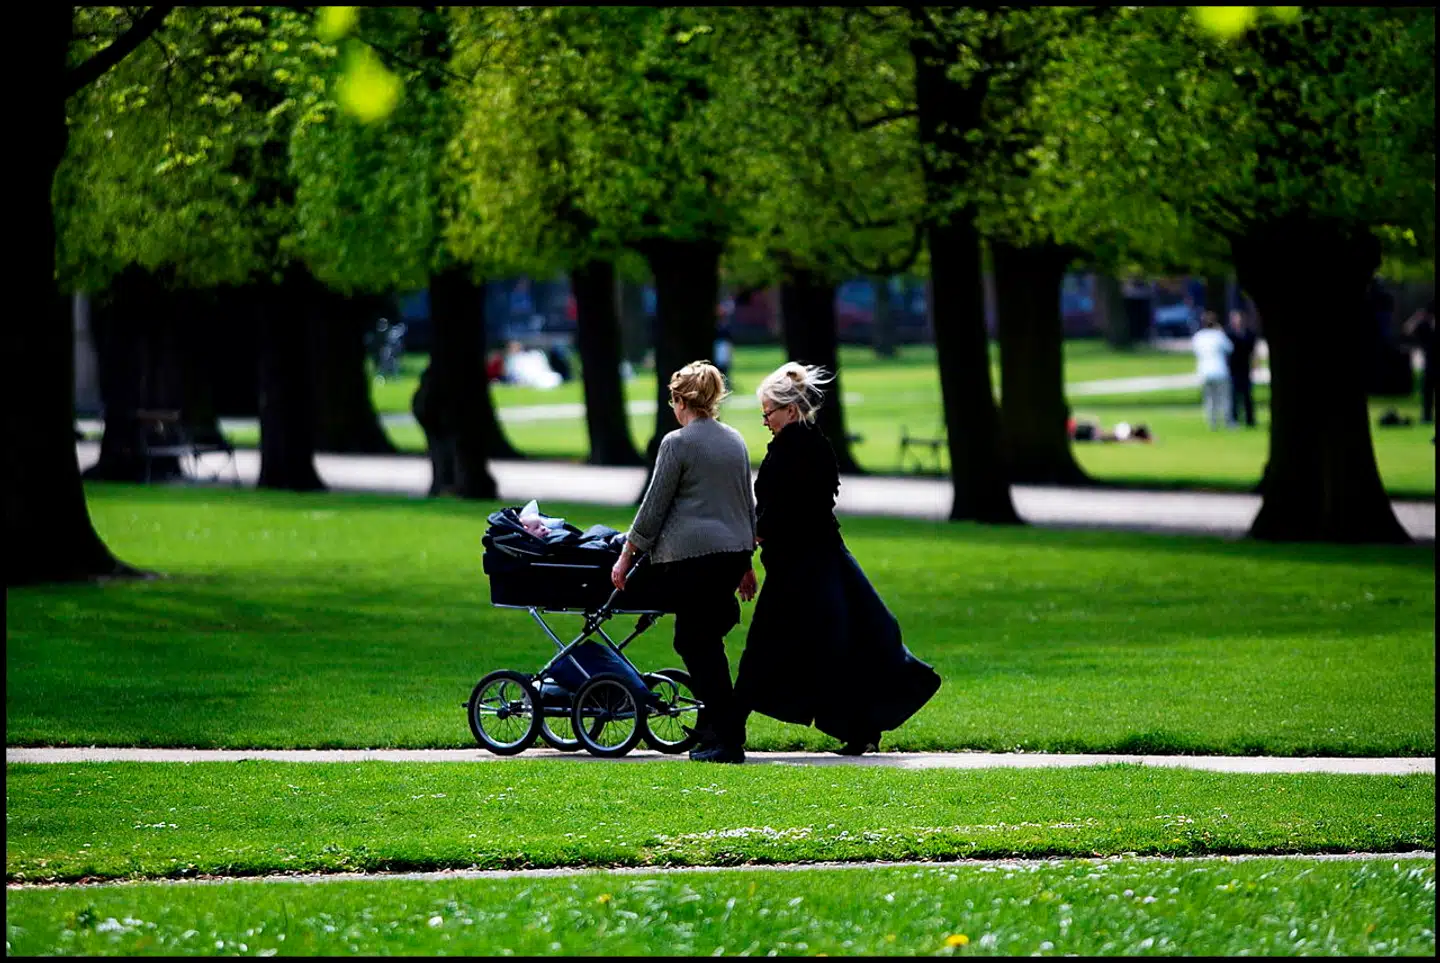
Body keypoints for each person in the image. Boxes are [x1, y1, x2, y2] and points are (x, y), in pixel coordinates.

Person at [731, 362, 941, 756]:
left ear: (790, 410)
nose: (765, 422)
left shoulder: (792, 451)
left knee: (767, 645)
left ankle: (728, 730)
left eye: (768, 413)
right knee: (844, 641)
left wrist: (750, 547)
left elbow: (780, 512)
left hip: (800, 568)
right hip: (824, 559)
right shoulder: (815, 445)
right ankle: (858, 728)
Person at [610, 360, 758, 764]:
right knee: (705, 640)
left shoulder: (677, 443)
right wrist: (746, 563)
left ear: (680, 400)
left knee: (695, 641)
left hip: (692, 558)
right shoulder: (735, 440)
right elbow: (746, 504)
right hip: (730, 555)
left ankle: (727, 736)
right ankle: (718, 730)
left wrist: (626, 555)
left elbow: (654, 507)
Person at [1191, 311, 1233, 430]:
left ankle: (1212, 422)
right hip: (1220, 370)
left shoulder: (1198, 336)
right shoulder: (1218, 335)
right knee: (1224, 398)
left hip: (1205, 371)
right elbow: (1230, 348)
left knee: (1209, 399)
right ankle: (1227, 421)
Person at [1402, 299, 1435, 425]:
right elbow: (1407, 330)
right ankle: (1426, 416)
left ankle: (1427, 416)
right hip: (1429, 362)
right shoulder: (1424, 326)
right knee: (1427, 391)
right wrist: (1417, 318)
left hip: (1431, 362)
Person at [1226, 309, 1258, 428]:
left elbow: (1253, 352)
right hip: (1233, 369)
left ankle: (1250, 419)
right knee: (1234, 395)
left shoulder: (1249, 334)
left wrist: (1255, 364)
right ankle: (1234, 419)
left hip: (1245, 368)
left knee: (1247, 395)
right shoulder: (1229, 334)